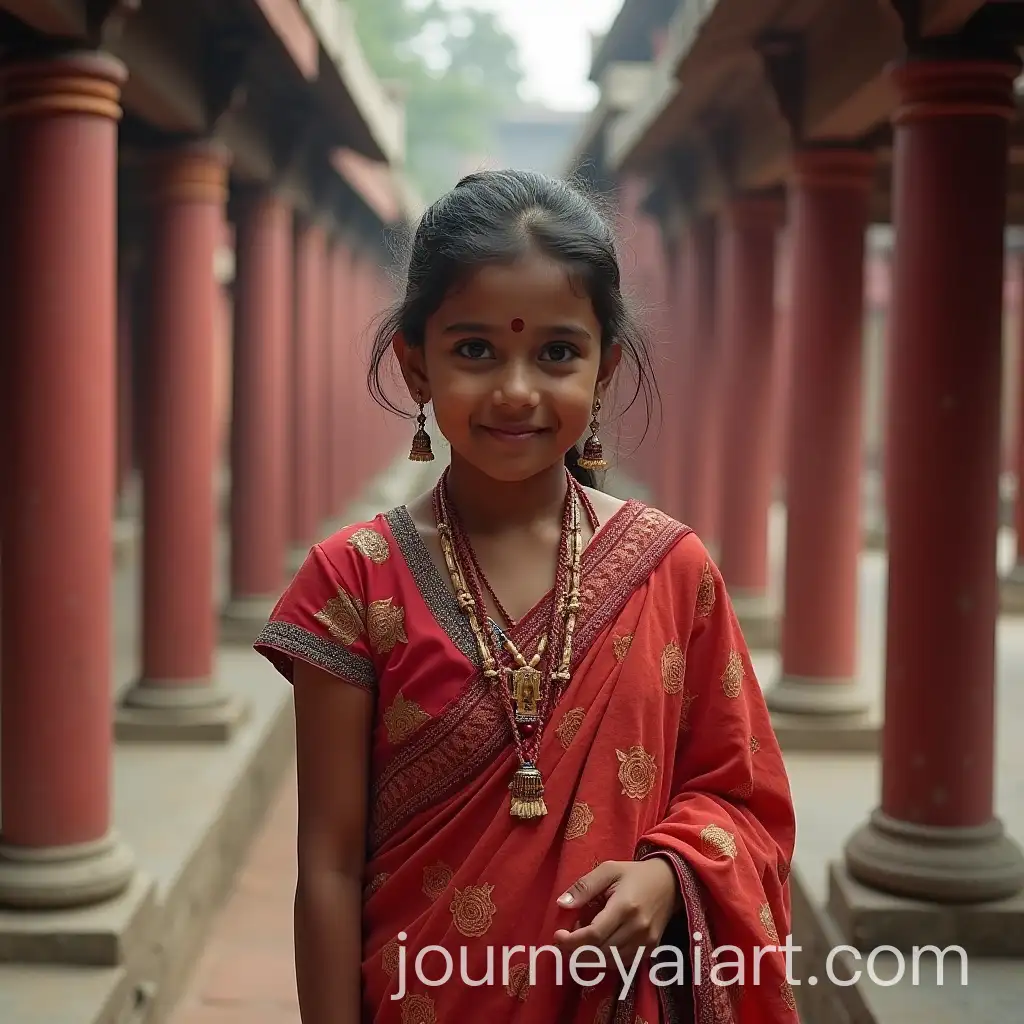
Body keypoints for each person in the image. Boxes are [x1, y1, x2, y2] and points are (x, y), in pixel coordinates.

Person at [253, 169, 798, 1024]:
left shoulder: (672, 569)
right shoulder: (354, 581)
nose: (516, 389)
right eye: (475, 350)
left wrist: (669, 873)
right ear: (415, 361)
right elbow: (325, 864)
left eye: (556, 352)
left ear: (605, 366)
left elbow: (744, 802)